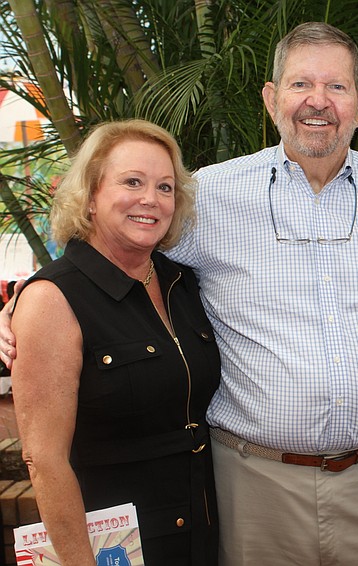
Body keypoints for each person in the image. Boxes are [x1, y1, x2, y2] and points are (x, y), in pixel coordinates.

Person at [1, 21, 358, 566]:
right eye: (301, 84)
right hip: (254, 489)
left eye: (336, 86)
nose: (317, 102)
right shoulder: (206, 196)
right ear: (271, 97)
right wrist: (31, 298)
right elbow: (117, 257)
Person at [11, 120, 220, 565]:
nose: (151, 199)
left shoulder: (181, 282)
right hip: (114, 549)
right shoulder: (53, 299)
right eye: (132, 182)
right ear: (89, 197)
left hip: (197, 534)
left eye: (165, 187)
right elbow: (44, 460)